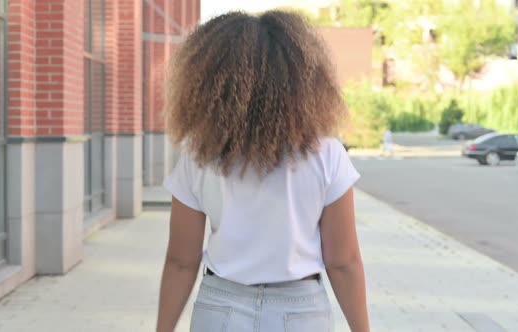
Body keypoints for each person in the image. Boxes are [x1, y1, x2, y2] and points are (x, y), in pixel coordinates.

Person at [156, 10, 369, 332]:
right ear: (303, 79)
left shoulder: (198, 154)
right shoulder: (327, 155)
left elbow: (181, 261)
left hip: (220, 308)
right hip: (301, 312)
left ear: (210, 80)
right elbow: (343, 261)